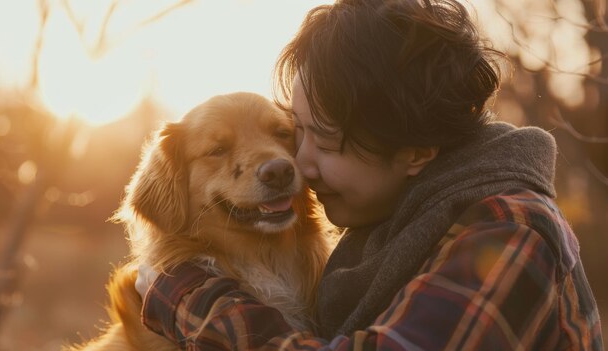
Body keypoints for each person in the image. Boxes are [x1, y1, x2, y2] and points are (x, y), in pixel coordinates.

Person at [135, 0, 604, 349]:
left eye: (326, 140)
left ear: (416, 152)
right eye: (297, 133)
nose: (299, 163)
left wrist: (188, 296)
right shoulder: (394, 222)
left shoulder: (509, 234)